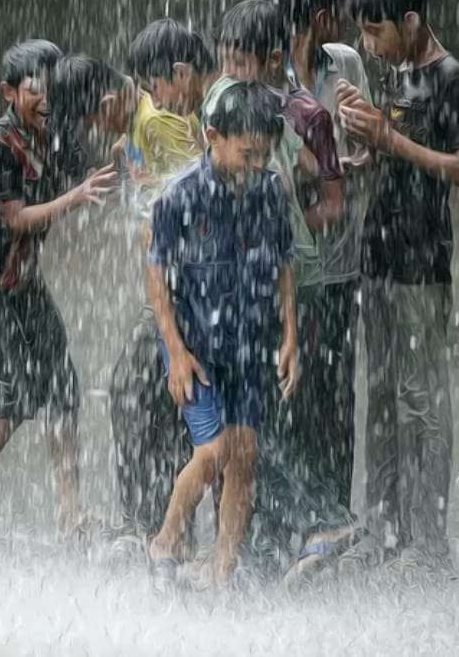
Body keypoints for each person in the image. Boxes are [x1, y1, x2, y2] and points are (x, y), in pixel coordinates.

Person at [0, 41, 118, 538]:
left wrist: (125, 157)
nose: (46, 98)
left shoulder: (57, 132)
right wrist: (74, 197)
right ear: (9, 92)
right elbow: (14, 220)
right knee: (9, 395)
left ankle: (70, 514)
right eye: (35, 89)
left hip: (25, 279)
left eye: (51, 87)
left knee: (61, 385)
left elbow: (91, 181)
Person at [336, 0, 459, 568]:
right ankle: (381, 527)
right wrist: (361, 144)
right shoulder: (397, 75)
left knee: (423, 400)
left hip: (422, 261)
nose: (370, 47)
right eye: (364, 36)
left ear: (411, 22)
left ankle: (428, 540)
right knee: (381, 391)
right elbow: (393, 156)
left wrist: (389, 140)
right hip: (378, 253)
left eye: (377, 33)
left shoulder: (452, 79)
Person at [203, 0, 347, 575]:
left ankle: (310, 529)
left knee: (279, 419)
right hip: (234, 289)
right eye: (228, 59)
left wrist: (282, 234)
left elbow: (328, 194)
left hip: (293, 286)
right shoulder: (218, 103)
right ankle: (251, 549)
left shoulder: (303, 116)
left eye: (246, 61)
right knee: (244, 424)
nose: (235, 71)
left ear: (273, 59)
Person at [146, 80, 299, 589]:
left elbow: (283, 266)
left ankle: (222, 569)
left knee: (245, 458)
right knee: (213, 454)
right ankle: (166, 540)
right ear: (213, 136)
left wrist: (290, 338)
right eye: (247, 154)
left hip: (252, 347)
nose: (256, 166)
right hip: (200, 353)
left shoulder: (272, 191)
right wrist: (175, 352)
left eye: (265, 156)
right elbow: (157, 277)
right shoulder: (178, 198)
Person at [278, 0, 375, 581]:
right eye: (338, 10)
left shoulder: (346, 66)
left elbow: (366, 140)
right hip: (292, 272)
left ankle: (333, 524)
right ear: (321, 16)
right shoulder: (271, 81)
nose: (344, 22)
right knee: (292, 400)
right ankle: (295, 527)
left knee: (336, 399)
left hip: (341, 268)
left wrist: (363, 147)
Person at [109, 19, 213, 543]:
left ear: (177, 74)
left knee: (168, 407)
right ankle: (159, 532)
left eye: (154, 88)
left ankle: (166, 535)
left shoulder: (185, 121)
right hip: (177, 288)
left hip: (195, 294)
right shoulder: (178, 117)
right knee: (144, 398)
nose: (152, 98)